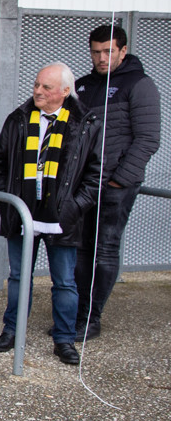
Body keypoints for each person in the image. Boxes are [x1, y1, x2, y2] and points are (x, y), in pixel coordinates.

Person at [0, 64, 102, 365]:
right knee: (18, 276)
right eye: (36, 85)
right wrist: (8, 203)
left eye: (46, 87)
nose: (38, 91)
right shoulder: (19, 118)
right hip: (22, 212)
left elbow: (96, 175)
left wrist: (73, 208)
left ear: (65, 91)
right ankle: (12, 331)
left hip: (62, 217)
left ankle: (64, 339)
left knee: (64, 281)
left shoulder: (86, 124)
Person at [73, 25, 161, 340]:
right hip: (85, 184)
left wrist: (119, 180)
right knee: (80, 248)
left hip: (115, 186)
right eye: (96, 52)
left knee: (104, 249)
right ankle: (76, 313)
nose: (101, 58)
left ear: (123, 51)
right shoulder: (83, 86)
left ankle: (90, 318)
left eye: (108, 51)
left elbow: (148, 139)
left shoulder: (139, 84)